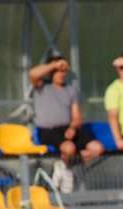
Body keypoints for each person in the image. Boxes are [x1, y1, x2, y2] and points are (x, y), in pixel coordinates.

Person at [29, 52, 104, 193]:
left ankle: (64, 166)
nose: (61, 74)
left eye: (64, 71)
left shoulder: (71, 90)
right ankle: (66, 168)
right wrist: (55, 64)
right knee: (69, 148)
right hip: (48, 130)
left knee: (97, 148)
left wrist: (73, 128)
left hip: (68, 128)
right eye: (58, 71)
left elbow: (77, 116)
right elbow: (33, 74)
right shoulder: (41, 86)